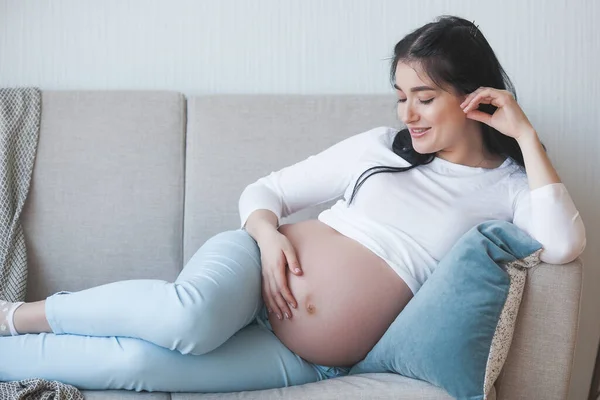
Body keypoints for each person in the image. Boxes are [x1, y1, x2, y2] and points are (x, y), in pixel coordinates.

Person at [0, 15, 586, 392]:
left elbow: (563, 244)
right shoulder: (383, 147)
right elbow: (267, 192)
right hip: (252, 270)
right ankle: (13, 317)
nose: (406, 114)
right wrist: (268, 235)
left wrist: (527, 136)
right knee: (184, 320)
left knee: (138, 369)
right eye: (401, 96)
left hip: (309, 359)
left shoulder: (510, 185)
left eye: (424, 97)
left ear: (474, 97)